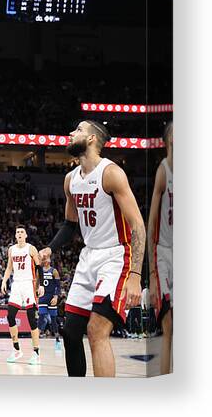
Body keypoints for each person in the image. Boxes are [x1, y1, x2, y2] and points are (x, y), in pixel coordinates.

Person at [40, 121, 145, 377]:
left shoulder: (110, 173)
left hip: (116, 255)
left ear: (91, 139)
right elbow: (69, 224)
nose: (70, 133)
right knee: (71, 332)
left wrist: (135, 275)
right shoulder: (70, 180)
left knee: (97, 330)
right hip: (89, 256)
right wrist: (50, 248)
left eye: (77, 130)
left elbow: (138, 226)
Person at [147, 122, 173, 375]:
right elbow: (151, 222)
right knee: (170, 328)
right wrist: (153, 275)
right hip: (166, 252)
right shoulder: (164, 171)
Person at [1, 225, 44, 365]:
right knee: (10, 316)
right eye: (17, 232)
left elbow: (39, 267)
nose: (19, 234)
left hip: (28, 284)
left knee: (31, 319)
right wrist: (4, 280)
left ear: (26, 235)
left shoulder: (31, 248)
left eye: (21, 232)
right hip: (16, 284)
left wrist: (41, 285)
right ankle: (17, 349)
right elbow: (9, 268)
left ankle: (36, 353)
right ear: (15, 236)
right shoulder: (11, 250)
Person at [37, 251, 61, 348]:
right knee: (41, 317)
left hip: (51, 297)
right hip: (42, 297)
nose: (45, 260)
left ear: (50, 260)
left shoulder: (54, 271)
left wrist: (56, 297)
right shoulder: (39, 271)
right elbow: (36, 283)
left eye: (47, 258)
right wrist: (35, 293)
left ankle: (57, 339)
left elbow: (58, 286)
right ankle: (36, 339)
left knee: (53, 320)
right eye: (44, 258)